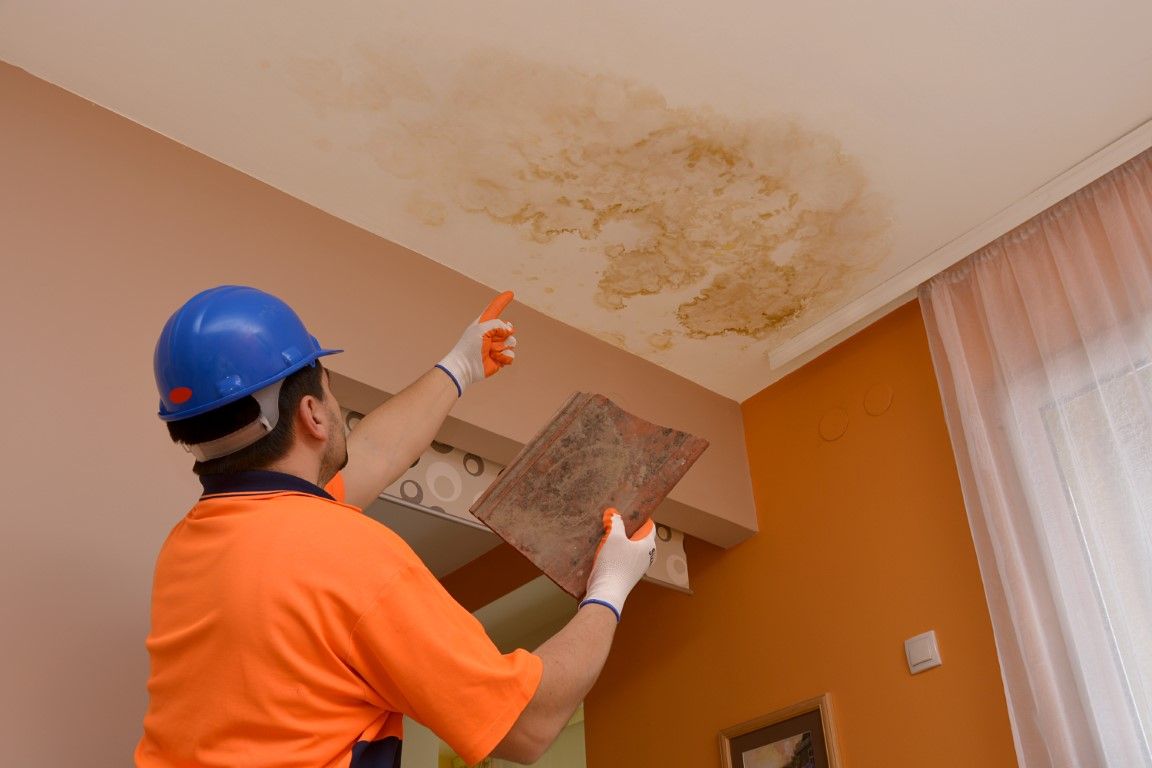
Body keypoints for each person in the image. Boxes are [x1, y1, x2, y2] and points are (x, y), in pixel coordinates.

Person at [136, 285, 656, 768]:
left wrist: (458, 368)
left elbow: (368, 457)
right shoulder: (349, 555)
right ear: (314, 413)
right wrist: (609, 590)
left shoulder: (191, 546)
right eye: (330, 391)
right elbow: (526, 723)